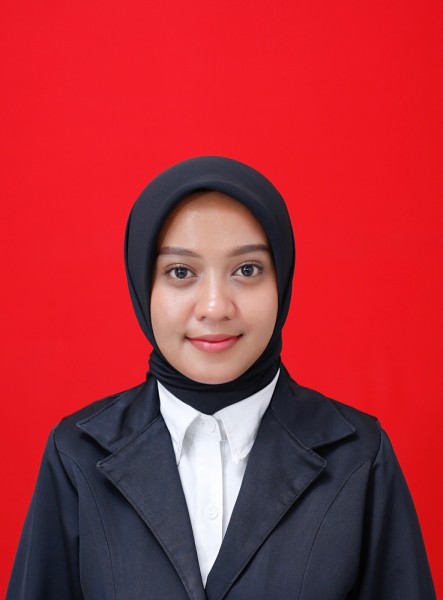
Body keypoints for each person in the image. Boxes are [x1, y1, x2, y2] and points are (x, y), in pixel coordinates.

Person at [7, 156, 436, 599]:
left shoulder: (358, 456)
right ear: (142, 285)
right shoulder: (77, 455)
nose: (215, 307)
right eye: (181, 272)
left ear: (282, 279)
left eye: (247, 269)